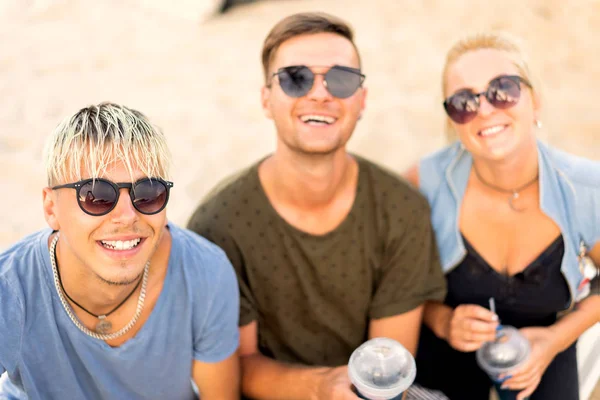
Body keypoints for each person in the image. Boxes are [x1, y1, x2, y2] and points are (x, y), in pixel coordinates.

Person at [187, 12, 447, 400]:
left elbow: (389, 365)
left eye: (341, 79)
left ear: (361, 100)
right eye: (296, 78)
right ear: (266, 99)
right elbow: (235, 367)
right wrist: (322, 387)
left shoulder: (401, 209)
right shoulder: (217, 226)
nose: (320, 94)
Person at [405, 33, 600, 400]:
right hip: (446, 347)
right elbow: (396, 286)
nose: (484, 110)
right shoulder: (423, 183)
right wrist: (442, 321)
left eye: (503, 90)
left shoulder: (587, 188)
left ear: (535, 102)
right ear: (454, 121)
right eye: (464, 101)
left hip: (546, 344)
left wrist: (556, 339)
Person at [0, 103, 240, 399]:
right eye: (96, 195)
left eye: (148, 193)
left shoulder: (206, 273)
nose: (127, 216)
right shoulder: (9, 289)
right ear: (51, 208)